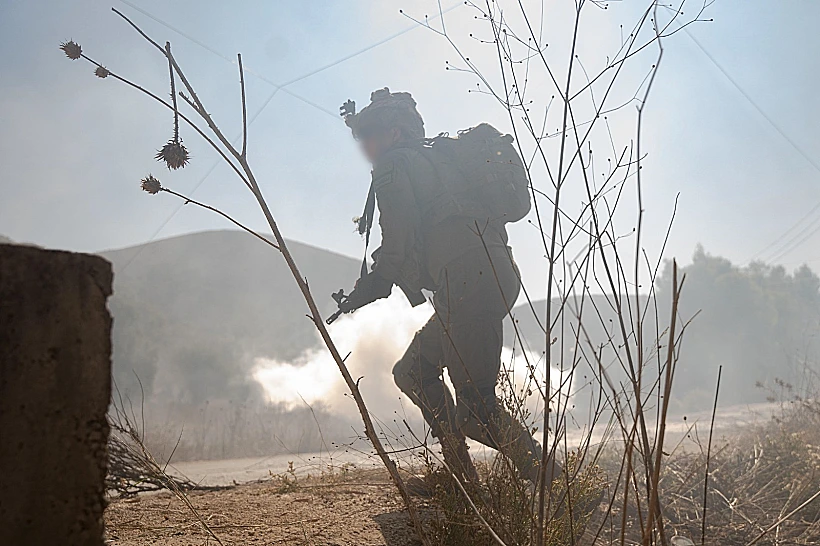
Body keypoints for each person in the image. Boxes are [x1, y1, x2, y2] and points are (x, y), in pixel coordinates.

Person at [338, 88, 560, 492]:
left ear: (395, 132)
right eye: (359, 134)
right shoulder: (440, 159)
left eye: (369, 132)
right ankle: (460, 476)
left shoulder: (394, 165)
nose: (364, 143)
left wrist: (369, 287)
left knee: (477, 410)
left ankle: (555, 483)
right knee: (413, 372)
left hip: (466, 283)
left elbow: (398, 237)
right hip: (487, 278)